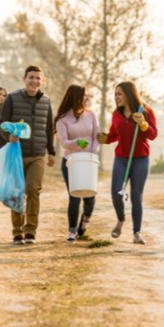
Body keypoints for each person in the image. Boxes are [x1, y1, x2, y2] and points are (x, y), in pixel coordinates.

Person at [0, 65, 55, 245]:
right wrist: (8, 136)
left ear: (42, 81)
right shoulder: (12, 98)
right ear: (24, 79)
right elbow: (1, 123)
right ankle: (17, 232)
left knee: (32, 190)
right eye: (31, 77)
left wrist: (51, 152)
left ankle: (30, 231)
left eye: (38, 78)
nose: (35, 81)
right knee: (17, 193)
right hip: (16, 154)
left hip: (38, 155)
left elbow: (48, 129)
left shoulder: (46, 101)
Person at [98, 81, 157, 245]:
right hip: (121, 159)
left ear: (130, 94)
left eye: (119, 94)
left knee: (136, 198)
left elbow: (153, 135)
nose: (116, 97)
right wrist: (105, 138)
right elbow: (113, 135)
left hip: (140, 159)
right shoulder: (116, 114)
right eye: (115, 94)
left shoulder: (146, 111)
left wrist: (144, 125)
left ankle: (137, 233)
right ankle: (121, 220)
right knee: (116, 194)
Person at [54, 85, 99, 244]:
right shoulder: (62, 119)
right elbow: (64, 143)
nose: (87, 98)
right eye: (85, 95)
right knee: (74, 196)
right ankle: (72, 232)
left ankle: (84, 221)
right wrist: (76, 143)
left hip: (89, 161)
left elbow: (96, 138)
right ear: (76, 97)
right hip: (71, 162)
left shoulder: (91, 115)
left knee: (90, 198)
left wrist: (93, 153)